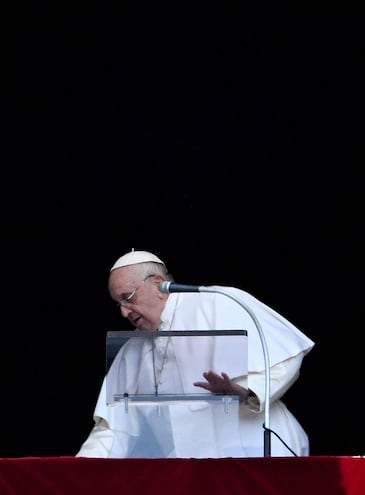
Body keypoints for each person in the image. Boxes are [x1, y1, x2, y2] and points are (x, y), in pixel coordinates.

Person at [76, 249, 315, 458]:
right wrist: (79, 468)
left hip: (254, 455)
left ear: (158, 283)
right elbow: (115, 428)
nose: (124, 312)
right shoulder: (131, 352)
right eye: (118, 304)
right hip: (190, 471)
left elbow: (285, 357)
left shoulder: (216, 302)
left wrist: (246, 391)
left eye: (128, 298)